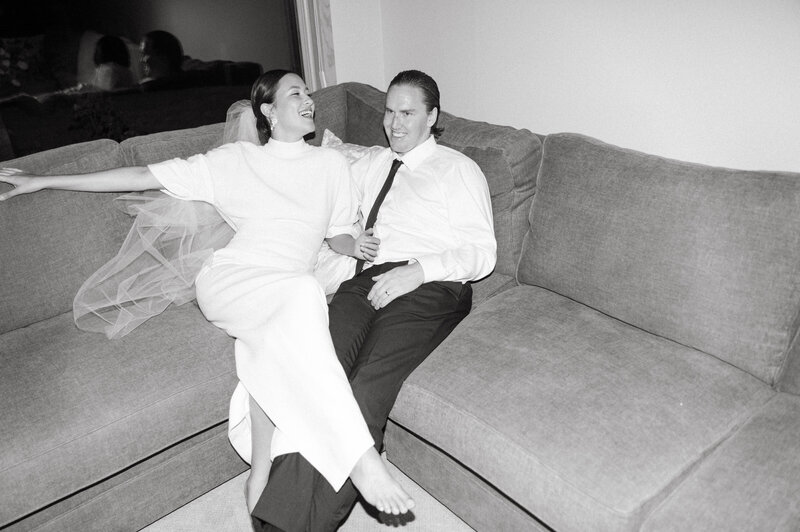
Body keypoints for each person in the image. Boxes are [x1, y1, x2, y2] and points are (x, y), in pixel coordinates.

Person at [0, 69, 415, 518]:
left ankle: (260, 469)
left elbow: (336, 235)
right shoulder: (234, 160)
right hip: (232, 278)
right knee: (304, 294)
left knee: (283, 329)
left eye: (309, 92)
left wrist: (359, 245)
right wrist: (42, 180)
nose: (309, 99)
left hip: (285, 287)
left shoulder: (331, 165)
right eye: (296, 93)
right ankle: (360, 456)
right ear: (269, 111)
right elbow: (140, 174)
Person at [251, 70, 497, 531]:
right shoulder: (369, 163)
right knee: (318, 375)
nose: (394, 123)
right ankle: (280, 512)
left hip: (430, 285)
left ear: (432, 117)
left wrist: (418, 271)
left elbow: (483, 253)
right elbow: (317, 190)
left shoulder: (458, 170)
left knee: (366, 384)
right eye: (389, 112)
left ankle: (285, 525)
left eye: (408, 113)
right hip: (363, 283)